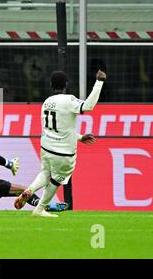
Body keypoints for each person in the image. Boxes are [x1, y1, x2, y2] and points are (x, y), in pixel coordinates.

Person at [14, 69, 106, 217]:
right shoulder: (69, 100)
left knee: (46, 172)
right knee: (56, 180)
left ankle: (29, 190)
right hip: (64, 153)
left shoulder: (46, 103)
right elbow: (88, 106)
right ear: (66, 85)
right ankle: (39, 209)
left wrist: (80, 137)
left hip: (46, 147)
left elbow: (56, 129)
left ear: (51, 85)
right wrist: (99, 82)